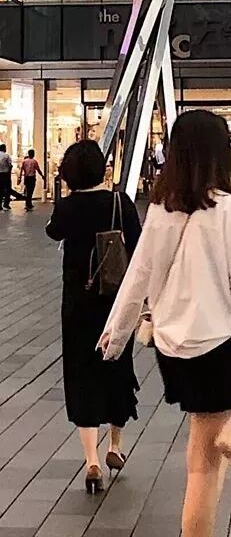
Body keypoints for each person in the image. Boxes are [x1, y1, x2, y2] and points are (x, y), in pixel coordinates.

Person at [99, 110, 231, 537]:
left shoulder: (162, 209)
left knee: (202, 454)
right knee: (206, 465)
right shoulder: (229, 211)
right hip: (217, 348)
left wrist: (116, 333)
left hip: (173, 351)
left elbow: (137, 276)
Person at [45, 140, 141, 493]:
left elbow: (52, 231)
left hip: (78, 305)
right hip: (115, 303)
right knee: (117, 367)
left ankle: (92, 461)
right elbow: (138, 243)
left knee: (82, 374)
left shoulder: (67, 207)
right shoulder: (120, 202)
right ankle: (115, 445)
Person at [0, 144, 12, 210]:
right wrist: (9, 173)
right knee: (8, 189)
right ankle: (6, 204)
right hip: (5, 174)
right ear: (4, 148)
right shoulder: (6, 156)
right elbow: (10, 165)